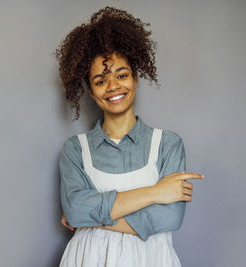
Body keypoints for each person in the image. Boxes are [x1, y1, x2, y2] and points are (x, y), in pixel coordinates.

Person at [54, 6, 204, 267]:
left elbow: (169, 218)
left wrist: (91, 217)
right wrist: (156, 192)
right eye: (100, 81)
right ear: (90, 91)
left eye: (122, 75)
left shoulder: (167, 144)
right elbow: (76, 211)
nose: (113, 87)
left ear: (136, 77)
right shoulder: (75, 149)